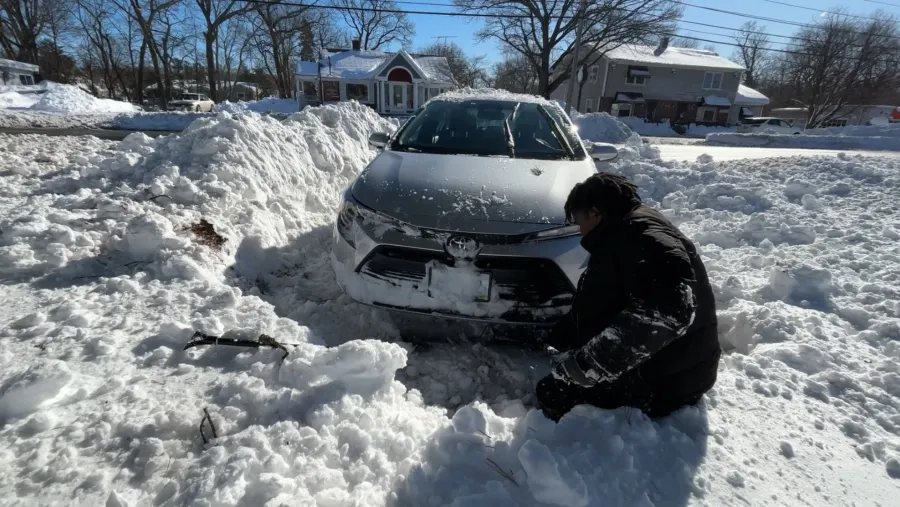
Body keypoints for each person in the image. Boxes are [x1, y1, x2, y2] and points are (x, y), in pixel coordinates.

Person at [535, 173, 720, 421]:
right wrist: (561, 334)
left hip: (666, 382)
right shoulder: (623, 230)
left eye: (578, 221)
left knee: (552, 393)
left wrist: (581, 370)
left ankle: (572, 447)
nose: (579, 231)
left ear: (595, 212)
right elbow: (604, 296)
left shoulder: (644, 238)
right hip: (669, 368)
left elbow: (667, 312)